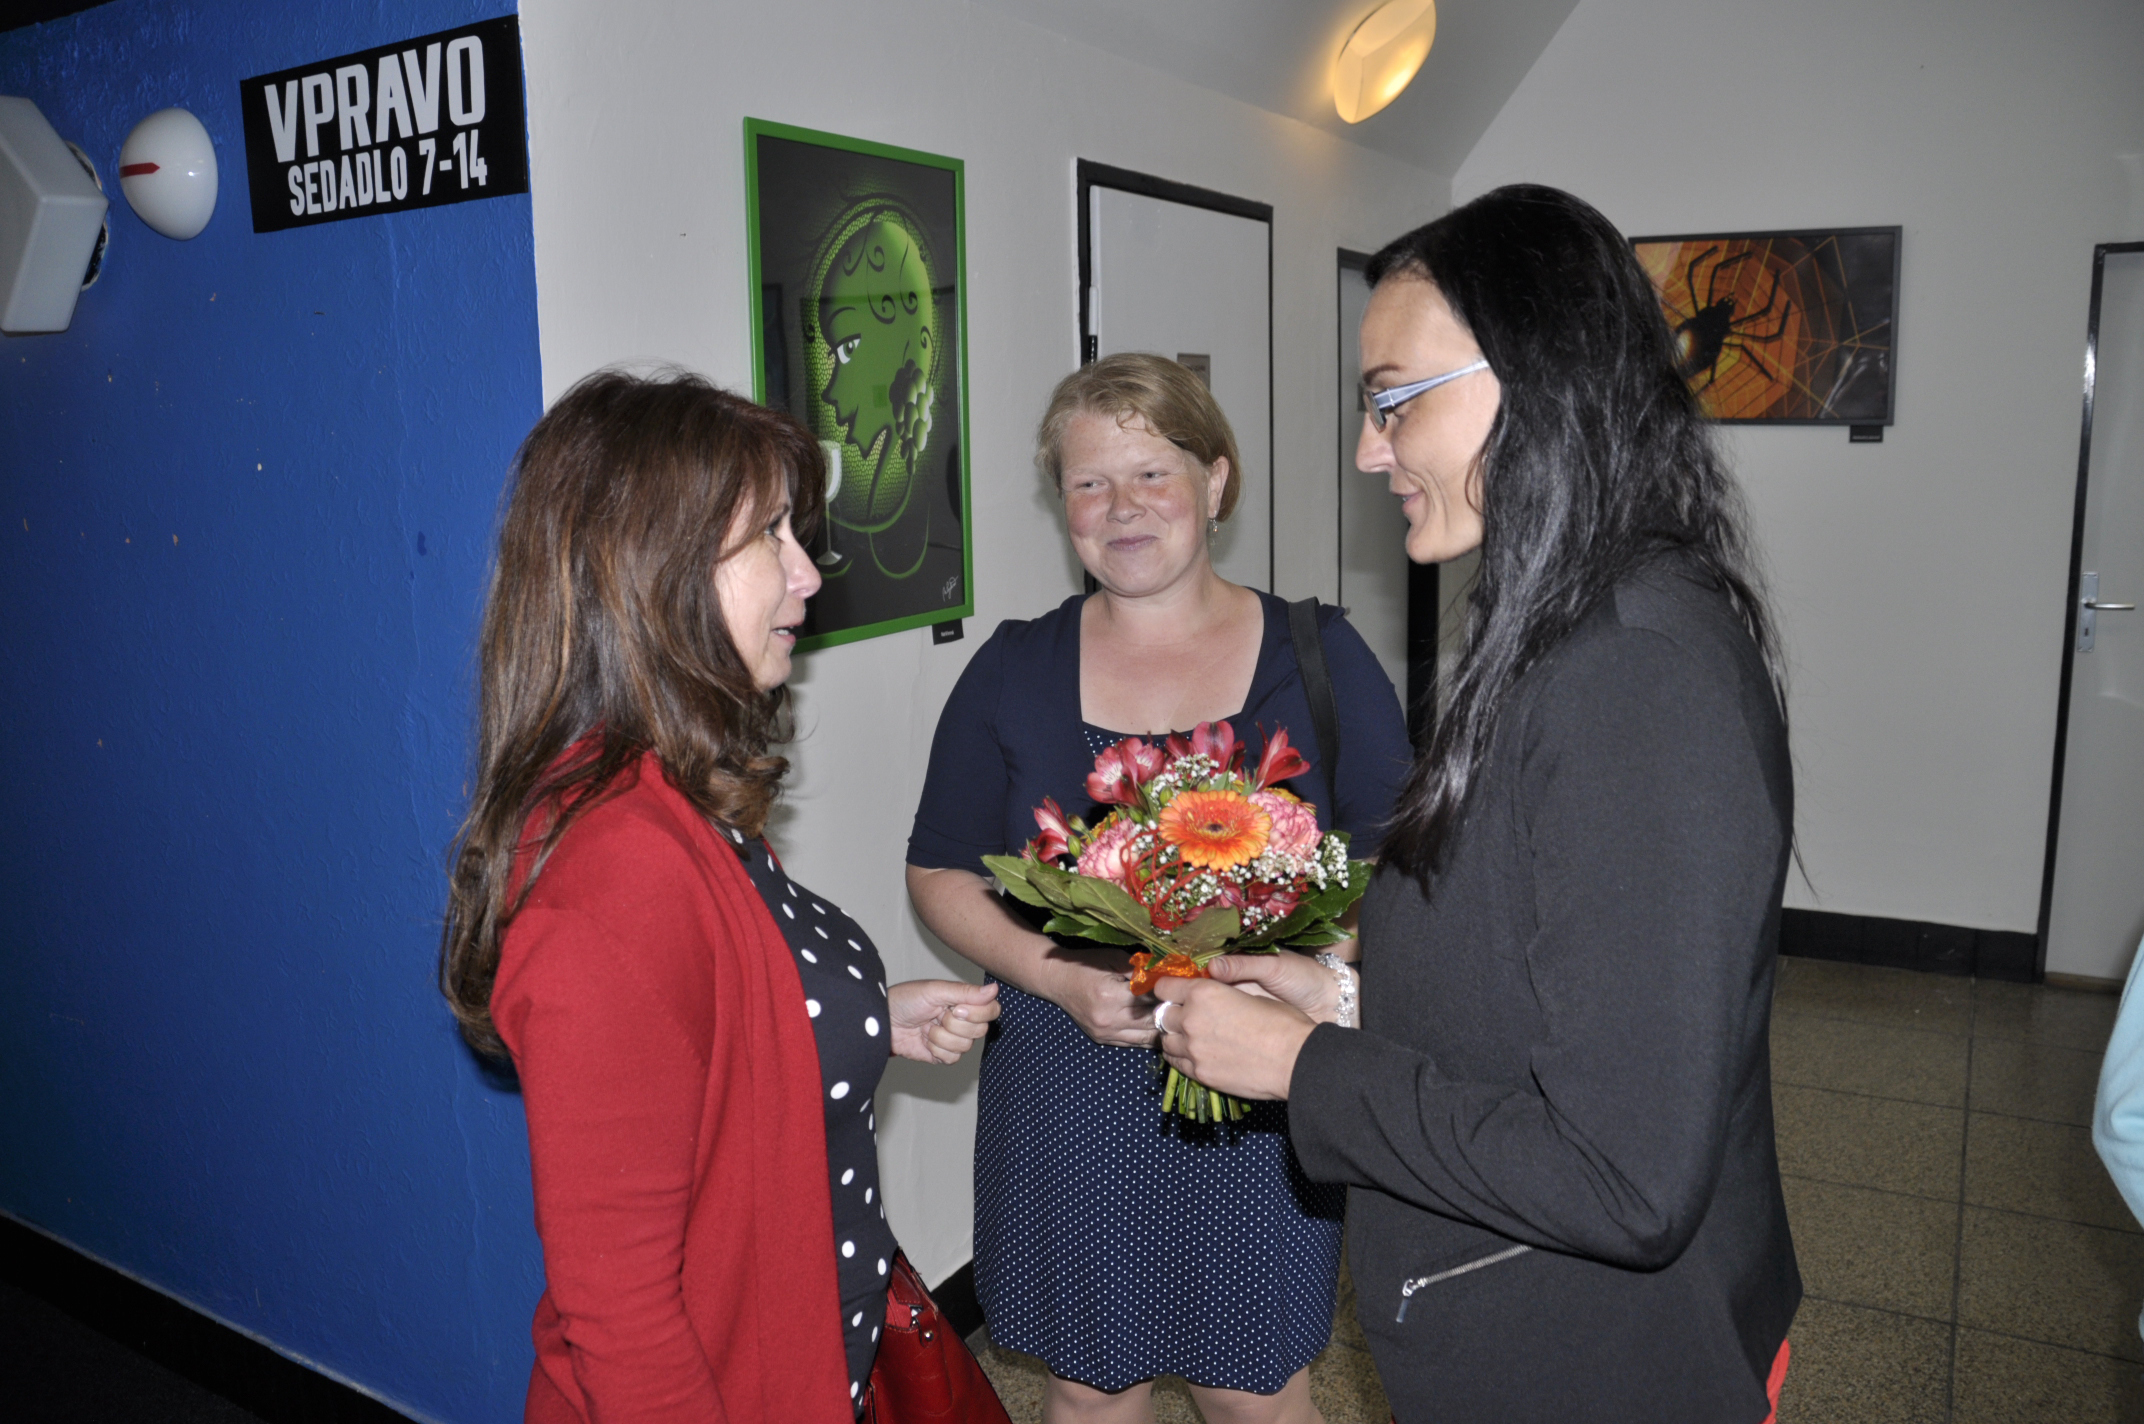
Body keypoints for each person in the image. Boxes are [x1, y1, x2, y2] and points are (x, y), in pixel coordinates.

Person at [1150, 186, 1802, 1423]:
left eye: (1395, 399)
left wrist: (1304, 1065)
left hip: (1602, 1367)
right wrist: (1346, 1002)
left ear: (1539, 382)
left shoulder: (1634, 675)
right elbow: (1551, 974)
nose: (1367, 449)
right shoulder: (1566, 622)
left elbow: (1624, 1174)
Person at [438, 370, 1000, 1423]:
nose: (807, 574)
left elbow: (719, 1029)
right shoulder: (616, 876)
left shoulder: (675, 794)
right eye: (770, 537)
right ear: (652, 571)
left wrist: (865, 1018)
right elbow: (623, 1315)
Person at [906, 354, 1412, 1424]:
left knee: (1255, 1389)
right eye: (1089, 483)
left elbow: (1404, 861)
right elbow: (940, 869)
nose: (1121, 507)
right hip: (1067, 1076)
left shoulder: (1319, 655)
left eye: (1151, 473)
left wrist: (1314, 973)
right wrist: (1059, 977)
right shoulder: (1013, 667)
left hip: (1260, 1085)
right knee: (1089, 1387)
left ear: (1215, 481)